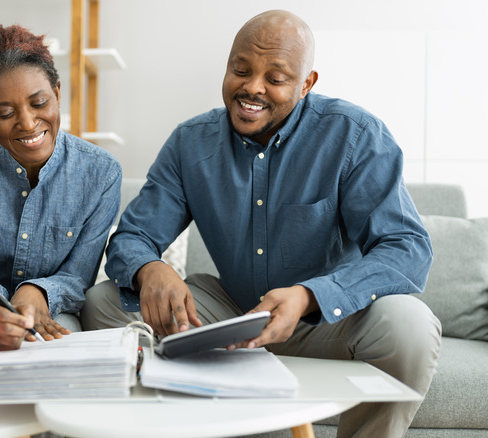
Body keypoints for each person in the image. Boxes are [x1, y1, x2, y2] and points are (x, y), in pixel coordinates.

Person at [81, 9, 441, 437]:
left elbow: (407, 248)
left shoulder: (355, 135)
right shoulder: (189, 143)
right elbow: (134, 236)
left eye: (276, 77)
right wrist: (149, 269)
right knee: (102, 303)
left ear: (306, 85)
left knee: (411, 327)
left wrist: (310, 295)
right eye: (241, 69)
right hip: (230, 311)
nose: (252, 87)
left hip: (324, 318)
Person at [0, 24, 122, 352]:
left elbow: (78, 277)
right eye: (5, 113)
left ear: (58, 93)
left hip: (54, 311)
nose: (27, 122)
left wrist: (36, 292)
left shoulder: (101, 174)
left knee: (47, 349)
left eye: (39, 103)